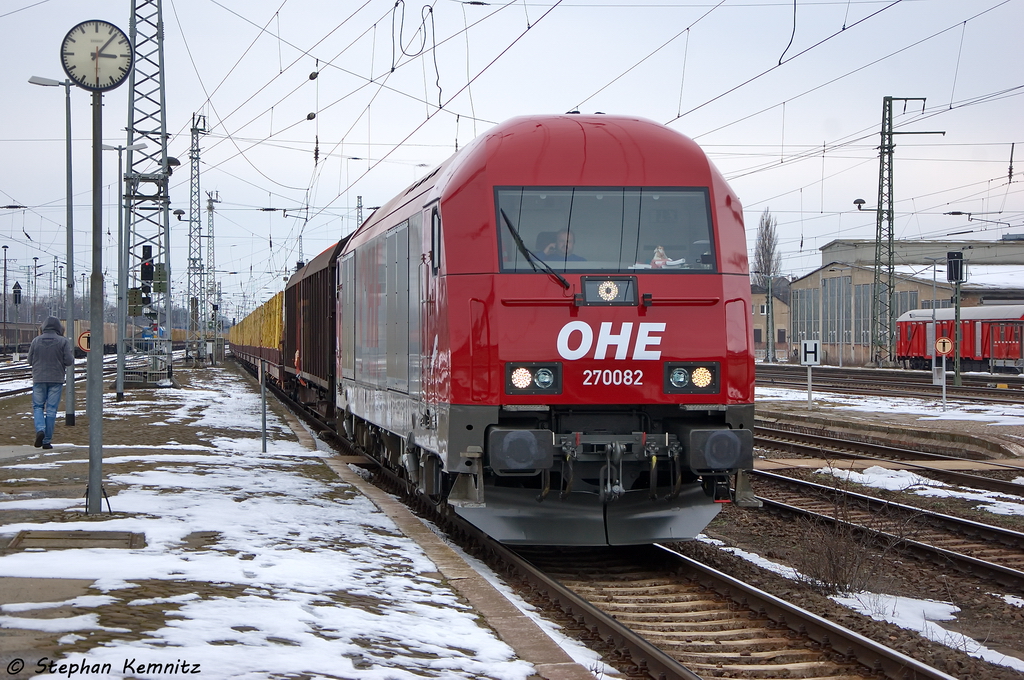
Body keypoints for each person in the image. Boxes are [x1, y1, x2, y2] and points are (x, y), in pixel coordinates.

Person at [28, 317, 75, 450]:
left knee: (37, 406)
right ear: (59, 328)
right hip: (56, 379)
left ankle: (40, 430)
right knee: (51, 409)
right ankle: (46, 441)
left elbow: (29, 360)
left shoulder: (35, 341)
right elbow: (69, 361)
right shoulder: (63, 341)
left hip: (38, 378)